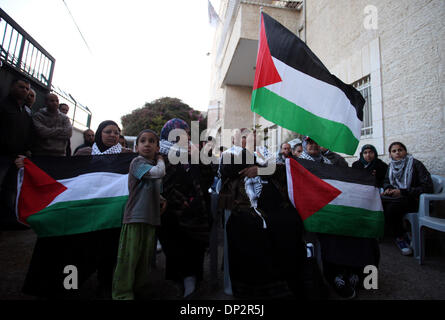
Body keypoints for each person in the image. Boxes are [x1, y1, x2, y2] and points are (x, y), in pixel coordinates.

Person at [300, 136, 380, 300]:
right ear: (303, 144)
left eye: (315, 141)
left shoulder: (329, 163)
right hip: (311, 211)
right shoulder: (297, 164)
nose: (313, 144)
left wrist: (365, 177)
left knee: (355, 226)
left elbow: (342, 183)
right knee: (331, 233)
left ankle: (352, 270)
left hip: (332, 206)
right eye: (309, 142)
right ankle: (334, 275)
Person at [157, 118, 211, 298]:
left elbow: (207, 178)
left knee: (196, 245)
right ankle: (179, 279)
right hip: (173, 211)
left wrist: (200, 157)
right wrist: (182, 201)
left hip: (197, 208)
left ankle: (193, 278)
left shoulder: (193, 153)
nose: (185, 137)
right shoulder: (161, 156)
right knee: (176, 242)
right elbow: (164, 184)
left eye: (187, 133)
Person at [112, 129, 166, 300]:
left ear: (157, 146)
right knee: (129, 258)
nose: (147, 144)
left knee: (144, 258)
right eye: (143, 141)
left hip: (150, 219)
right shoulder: (137, 162)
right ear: (136, 147)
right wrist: (161, 160)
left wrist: (161, 199)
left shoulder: (151, 165)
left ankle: (138, 288)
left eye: (152, 141)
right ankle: (122, 293)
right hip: (135, 217)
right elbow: (158, 173)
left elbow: (150, 187)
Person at [381, 142, 433, 256]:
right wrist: (388, 188)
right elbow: (386, 181)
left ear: (405, 151)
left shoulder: (415, 164)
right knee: (379, 204)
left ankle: (400, 236)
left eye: (400, 150)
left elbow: (427, 187)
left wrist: (403, 191)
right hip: (395, 198)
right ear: (390, 155)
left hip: (414, 199)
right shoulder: (391, 166)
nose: (397, 153)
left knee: (391, 208)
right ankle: (403, 234)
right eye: (394, 151)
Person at [0, 78, 32, 229]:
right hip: (3, 156)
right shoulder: (4, 106)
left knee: (12, 188)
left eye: (27, 88)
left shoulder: (26, 111)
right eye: (21, 87)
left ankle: (9, 218)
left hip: (18, 157)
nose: (24, 91)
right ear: (12, 86)